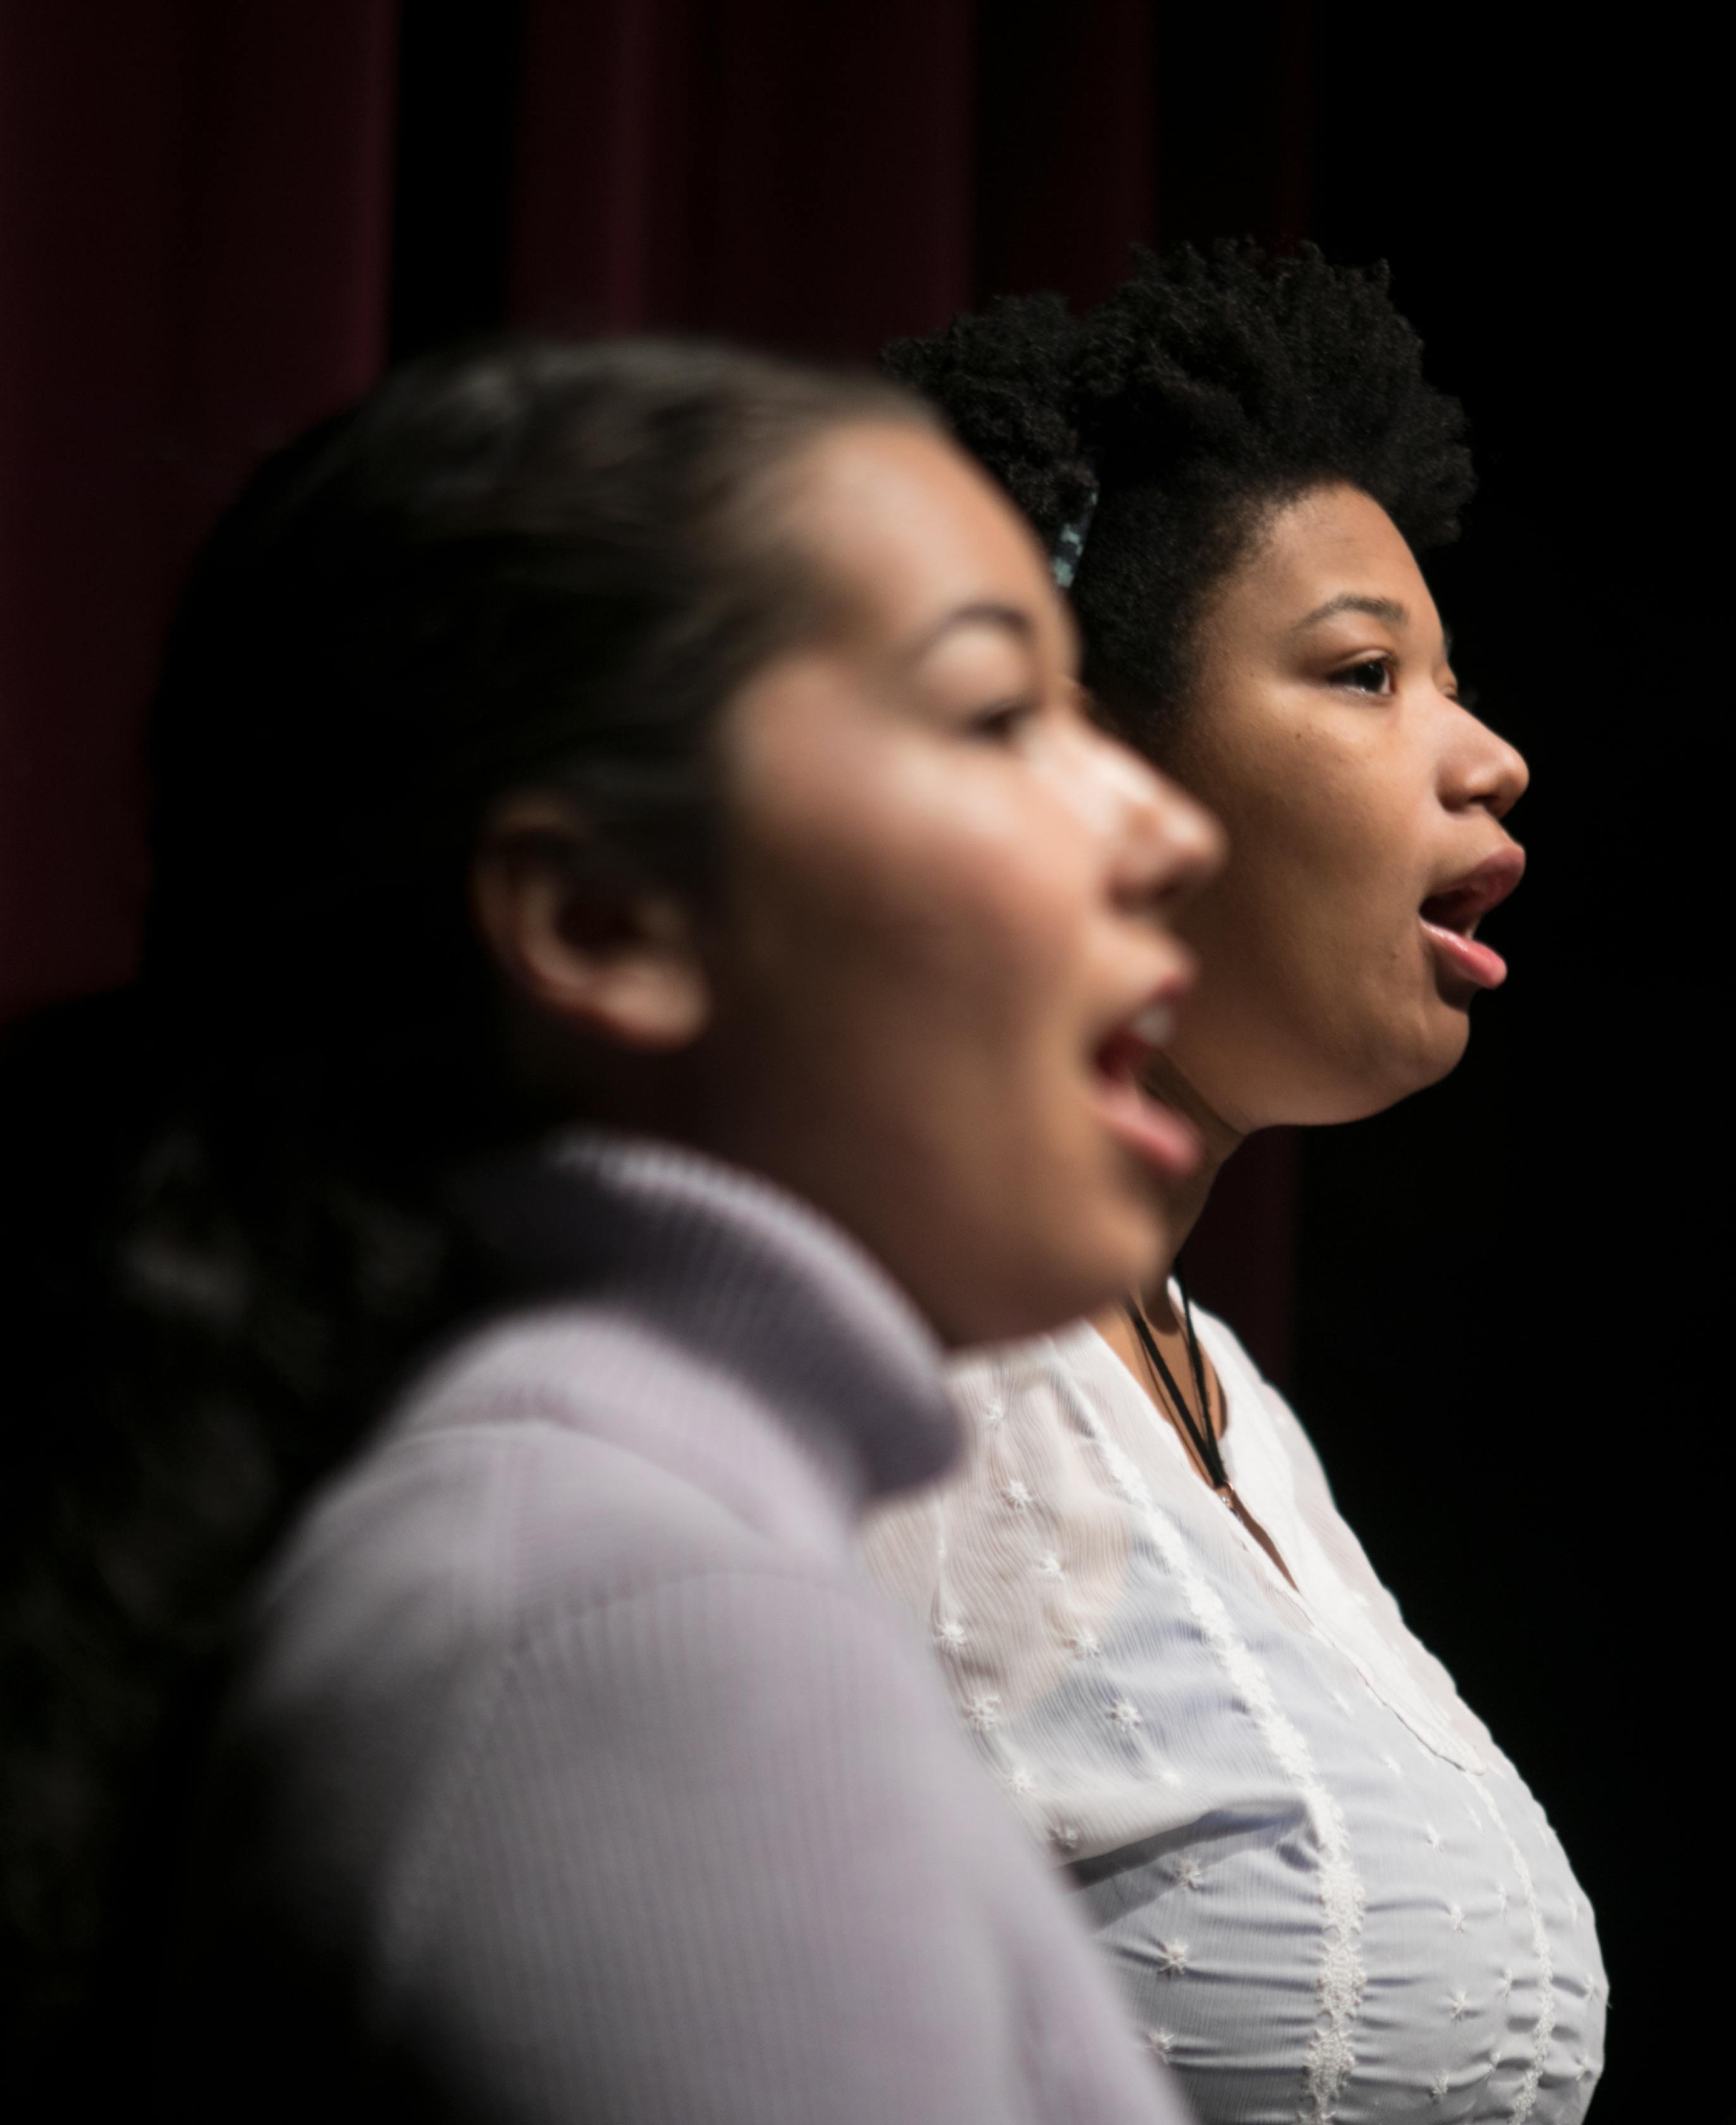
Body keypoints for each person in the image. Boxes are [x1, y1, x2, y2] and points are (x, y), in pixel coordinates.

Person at [0, 338, 1222, 2122]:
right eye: (994, 716)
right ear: (602, 920)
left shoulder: (622, 1561)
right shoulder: (636, 1629)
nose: (1167, 830)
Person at [866, 245, 1606, 2123]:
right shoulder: (881, 1358)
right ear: (1088, 765)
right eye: (1363, 675)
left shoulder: (1235, 1420)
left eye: (1451, 679)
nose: (1489, 757)